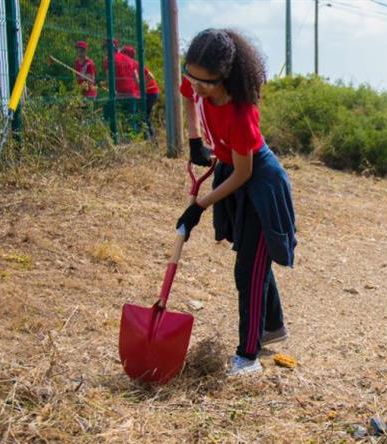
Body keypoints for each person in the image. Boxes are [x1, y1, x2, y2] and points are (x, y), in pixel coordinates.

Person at [175, 29, 297, 376]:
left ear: (224, 77)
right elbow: (188, 96)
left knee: (249, 269)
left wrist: (200, 205)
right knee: (253, 259)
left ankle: (249, 355)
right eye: (191, 76)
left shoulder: (242, 114)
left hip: (260, 185)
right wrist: (194, 139)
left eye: (206, 83)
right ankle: (273, 327)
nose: (196, 86)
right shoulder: (198, 81)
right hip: (232, 170)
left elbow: (244, 174)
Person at [120, 45, 161, 140]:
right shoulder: (132, 64)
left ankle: (151, 140)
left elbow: (151, 76)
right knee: (144, 116)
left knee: (143, 117)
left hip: (151, 92)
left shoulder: (134, 64)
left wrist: (142, 88)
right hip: (150, 92)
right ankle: (150, 139)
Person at [102, 39, 140, 133]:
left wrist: (101, 85)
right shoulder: (129, 59)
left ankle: (114, 137)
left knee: (109, 114)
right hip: (132, 94)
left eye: (105, 48)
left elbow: (109, 80)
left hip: (119, 95)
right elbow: (137, 79)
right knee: (131, 120)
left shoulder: (108, 61)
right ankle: (134, 141)